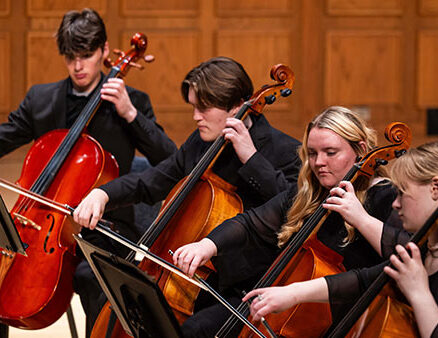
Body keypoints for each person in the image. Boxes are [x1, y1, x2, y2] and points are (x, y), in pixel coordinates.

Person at [74, 56, 302, 335]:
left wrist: (250, 158)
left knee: (191, 329)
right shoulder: (200, 141)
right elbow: (152, 182)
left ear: (236, 107)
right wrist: (103, 194)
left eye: (203, 108)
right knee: (103, 286)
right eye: (194, 107)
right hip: (188, 273)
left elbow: (294, 211)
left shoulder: (286, 151)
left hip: (242, 285)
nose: (195, 117)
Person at [0, 8, 177, 336]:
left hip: (106, 225)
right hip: (40, 224)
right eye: (70, 58)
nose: (78, 67)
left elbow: (170, 162)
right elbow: (6, 135)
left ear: (105, 51)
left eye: (86, 56)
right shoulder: (41, 99)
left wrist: (131, 114)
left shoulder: (131, 101)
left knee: (90, 276)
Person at [172, 106, 399, 337]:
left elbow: (406, 253)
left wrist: (361, 219)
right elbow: (250, 223)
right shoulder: (311, 192)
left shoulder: (385, 197)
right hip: (282, 309)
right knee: (196, 329)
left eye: (330, 152)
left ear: (360, 150)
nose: (318, 162)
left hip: (333, 319)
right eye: (312, 153)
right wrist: (206, 245)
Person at [243, 140, 438, 338]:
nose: (395, 204)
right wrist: (292, 293)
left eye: (402, 193)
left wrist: (419, 293)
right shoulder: (423, 250)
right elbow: (362, 280)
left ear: (436, 188)